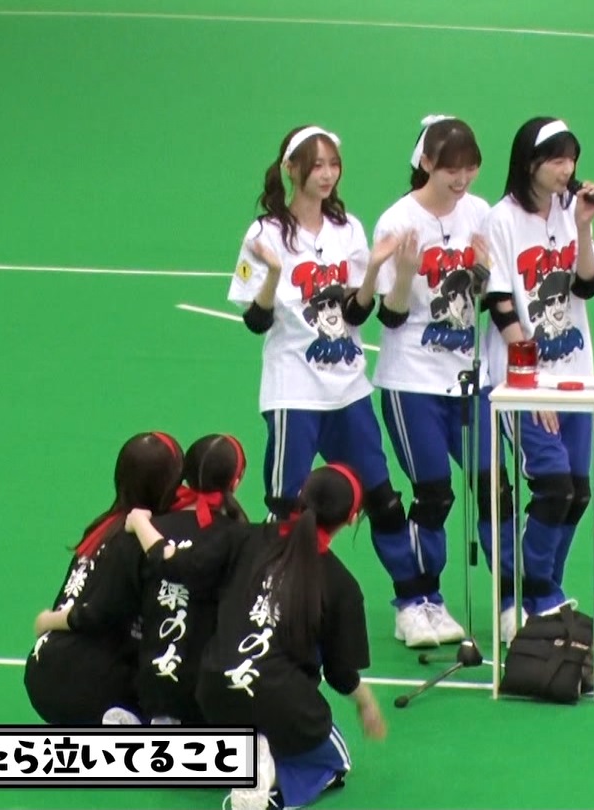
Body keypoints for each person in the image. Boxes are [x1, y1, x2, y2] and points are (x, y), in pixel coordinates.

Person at [226, 123, 414, 611]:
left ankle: (414, 601)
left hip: (348, 388)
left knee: (382, 498)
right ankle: (270, 600)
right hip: (293, 391)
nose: (327, 174)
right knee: (286, 504)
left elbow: (355, 313)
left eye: (333, 164)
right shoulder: (264, 234)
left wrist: (373, 271)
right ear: (291, 170)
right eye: (317, 165)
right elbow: (256, 320)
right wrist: (272, 273)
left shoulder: (348, 228)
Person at [124, 464, 387, 810]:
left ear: (300, 497)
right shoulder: (342, 585)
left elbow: (177, 565)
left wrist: (140, 523)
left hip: (214, 692)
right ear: (351, 520)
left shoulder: (244, 537)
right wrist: (367, 704)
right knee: (336, 761)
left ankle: (244, 756)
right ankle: (269, 772)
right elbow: (341, 674)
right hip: (281, 701)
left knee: (251, 716)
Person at [359, 115, 517, 648]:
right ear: (426, 163)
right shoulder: (397, 220)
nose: (462, 179)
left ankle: (512, 600)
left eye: (471, 168)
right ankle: (417, 601)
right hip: (413, 382)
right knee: (434, 494)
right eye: (452, 169)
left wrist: (482, 270)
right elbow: (391, 316)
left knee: (494, 490)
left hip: (471, 380)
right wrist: (405, 273)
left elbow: (485, 297)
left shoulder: (480, 212)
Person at [480, 116, 594, 640]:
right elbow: (500, 303)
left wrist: (584, 226)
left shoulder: (570, 211)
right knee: (552, 486)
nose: (567, 169)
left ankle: (547, 592)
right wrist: (529, 383)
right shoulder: (501, 220)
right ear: (530, 163)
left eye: (572, 158)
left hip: (575, 375)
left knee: (577, 491)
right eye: (557, 159)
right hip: (522, 380)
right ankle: (525, 593)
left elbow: (588, 286)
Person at [23, 431, 184, 725]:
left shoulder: (102, 527)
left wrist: (49, 621)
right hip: (93, 687)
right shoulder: (144, 541)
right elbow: (101, 613)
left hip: (42, 670)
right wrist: (50, 620)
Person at [126, 433, 250, 726]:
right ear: (235, 482)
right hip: (207, 693)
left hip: (153, 688)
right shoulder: (241, 539)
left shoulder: (150, 528)